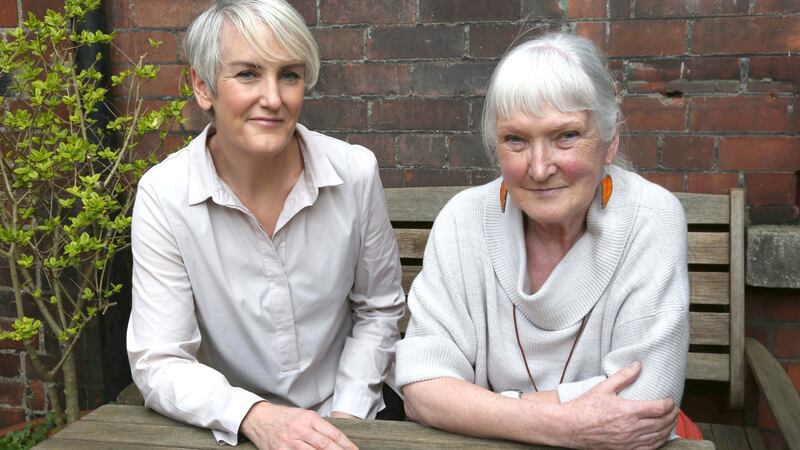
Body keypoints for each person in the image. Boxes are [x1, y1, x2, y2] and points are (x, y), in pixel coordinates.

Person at [126, 1, 404, 448]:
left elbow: (378, 310)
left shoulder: (353, 173)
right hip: (231, 428)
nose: (273, 98)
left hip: (350, 413)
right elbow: (160, 359)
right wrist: (252, 415)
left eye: (289, 75)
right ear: (202, 86)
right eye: (248, 73)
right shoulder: (165, 194)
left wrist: (346, 415)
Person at [395, 32, 691, 450]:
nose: (538, 167)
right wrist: (562, 423)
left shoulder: (650, 218)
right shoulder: (463, 220)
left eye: (565, 136)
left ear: (610, 141)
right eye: (516, 140)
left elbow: (644, 405)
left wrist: (481, 409)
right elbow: (421, 389)